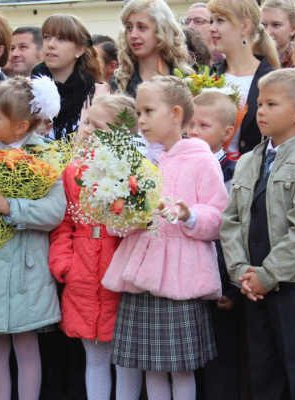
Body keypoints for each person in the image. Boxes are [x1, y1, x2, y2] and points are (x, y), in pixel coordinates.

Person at [102, 75, 228, 400]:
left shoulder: (201, 160)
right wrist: (127, 215)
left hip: (180, 281)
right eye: (138, 112)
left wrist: (190, 215)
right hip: (141, 276)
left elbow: (219, 216)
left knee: (180, 368)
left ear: (174, 114)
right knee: (151, 366)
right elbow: (120, 219)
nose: (140, 120)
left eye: (148, 111)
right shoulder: (142, 161)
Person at [220, 68, 295, 400]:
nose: (261, 111)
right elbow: (230, 223)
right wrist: (242, 272)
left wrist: (268, 275)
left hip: (294, 284)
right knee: (263, 371)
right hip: (254, 284)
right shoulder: (250, 160)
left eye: (271, 104)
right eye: (259, 104)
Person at [0, 76, 64, 400]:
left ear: (21, 126)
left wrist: (10, 207)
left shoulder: (46, 157)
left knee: (26, 346)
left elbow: (54, 212)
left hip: (28, 269)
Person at [49, 94, 142, 400]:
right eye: (87, 122)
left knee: (127, 359)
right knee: (95, 357)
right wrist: (63, 263)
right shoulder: (74, 170)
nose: (87, 130)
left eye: (97, 126)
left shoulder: (136, 172)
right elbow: (64, 223)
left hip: (120, 273)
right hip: (83, 273)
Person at [188, 91, 242, 400]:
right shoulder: (177, 166)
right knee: (189, 360)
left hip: (221, 280)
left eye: (203, 125)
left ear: (227, 133)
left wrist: (233, 286)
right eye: (190, 124)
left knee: (221, 358)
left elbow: (236, 232)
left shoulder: (234, 175)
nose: (193, 132)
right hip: (188, 279)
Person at [209, 0, 279, 156]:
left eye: (220, 20)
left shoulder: (272, 78)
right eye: (211, 21)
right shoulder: (208, 75)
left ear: (244, 27)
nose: (212, 28)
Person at [31, 14, 108, 141]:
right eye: (47, 37)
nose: (50, 44)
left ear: (79, 50)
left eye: (61, 39)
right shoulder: (26, 88)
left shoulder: (98, 92)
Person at [111, 0, 194, 97]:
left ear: (162, 30)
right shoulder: (120, 82)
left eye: (141, 27)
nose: (133, 35)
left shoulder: (187, 80)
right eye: (129, 27)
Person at [260, 0, 295, 68]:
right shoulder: (251, 57)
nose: (267, 31)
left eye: (276, 25)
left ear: (293, 29)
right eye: (264, 24)